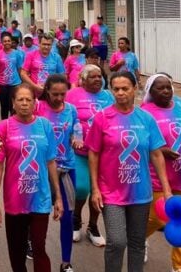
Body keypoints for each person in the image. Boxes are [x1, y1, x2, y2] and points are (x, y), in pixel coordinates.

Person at [86, 71, 172, 272]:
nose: (120, 93)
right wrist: (95, 189)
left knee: (137, 243)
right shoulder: (102, 118)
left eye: (125, 88)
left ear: (135, 89)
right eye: (116, 89)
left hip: (140, 192)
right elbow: (94, 154)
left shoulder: (146, 118)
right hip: (111, 193)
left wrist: (166, 190)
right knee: (116, 242)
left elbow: (157, 155)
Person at [0, 84, 63, 272]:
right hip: (15, 200)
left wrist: (58, 197)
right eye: (20, 100)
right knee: (17, 251)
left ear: (34, 103)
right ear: (13, 103)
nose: (24, 103)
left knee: (39, 247)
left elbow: (51, 162)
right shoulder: (3, 127)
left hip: (40, 198)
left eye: (28, 99)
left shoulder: (45, 125)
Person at [142, 73, 181, 272]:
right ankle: (141, 239)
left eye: (168, 87)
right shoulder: (145, 112)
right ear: (150, 91)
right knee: (158, 219)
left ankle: (180, 266)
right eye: (160, 88)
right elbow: (141, 144)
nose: (166, 91)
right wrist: (161, 151)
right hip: (159, 176)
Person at [36, 74, 82, 272]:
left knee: (67, 215)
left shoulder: (70, 109)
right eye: (55, 94)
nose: (59, 98)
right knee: (37, 213)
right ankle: (34, 245)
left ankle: (66, 261)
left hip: (66, 169)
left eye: (63, 94)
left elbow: (76, 128)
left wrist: (77, 138)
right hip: (41, 170)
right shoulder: (38, 107)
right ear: (46, 90)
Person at [65, 64, 114, 246]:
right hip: (80, 151)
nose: (97, 79)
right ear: (83, 79)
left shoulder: (108, 96)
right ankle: (76, 220)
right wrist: (71, 136)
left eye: (99, 76)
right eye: (92, 76)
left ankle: (93, 226)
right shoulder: (73, 95)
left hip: (104, 153)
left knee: (99, 191)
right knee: (82, 188)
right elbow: (66, 118)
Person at [0, 32, 24, 120]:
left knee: (13, 107)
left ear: (11, 42)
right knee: (4, 107)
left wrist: (22, 82)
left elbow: (19, 69)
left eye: (8, 41)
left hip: (15, 84)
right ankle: (4, 126)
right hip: (1, 85)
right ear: (2, 42)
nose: (7, 43)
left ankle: (13, 125)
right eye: (5, 41)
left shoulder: (17, 54)